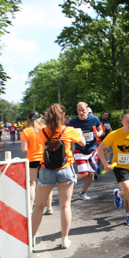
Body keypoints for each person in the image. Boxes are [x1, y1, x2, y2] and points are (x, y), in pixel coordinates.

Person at [31, 103, 85, 249]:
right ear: (62, 116)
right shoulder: (69, 130)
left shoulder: (42, 132)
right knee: (65, 206)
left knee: (39, 207)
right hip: (65, 169)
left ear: (47, 116)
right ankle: (64, 239)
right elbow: (82, 142)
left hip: (47, 169)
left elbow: (39, 146)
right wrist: (79, 134)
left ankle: (32, 238)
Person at [98, 112, 129, 226]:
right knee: (128, 191)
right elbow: (100, 148)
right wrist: (105, 164)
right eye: (128, 122)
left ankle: (118, 194)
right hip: (119, 166)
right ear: (122, 122)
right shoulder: (114, 134)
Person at [20, 111, 53, 215]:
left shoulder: (26, 131)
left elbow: (24, 149)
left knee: (32, 183)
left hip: (32, 159)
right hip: (45, 159)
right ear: (40, 118)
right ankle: (49, 208)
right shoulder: (46, 129)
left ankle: (30, 209)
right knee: (47, 184)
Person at [68, 102, 103, 200]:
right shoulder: (73, 122)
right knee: (84, 173)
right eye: (79, 110)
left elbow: (100, 130)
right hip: (80, 150)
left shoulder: (94, 119)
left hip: (92, 149)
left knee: (91, 173)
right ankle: (68, 182)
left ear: (87, 110)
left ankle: (83, 192)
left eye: (83, 110)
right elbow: (69, 135)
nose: (81, 112)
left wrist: (99, 134)